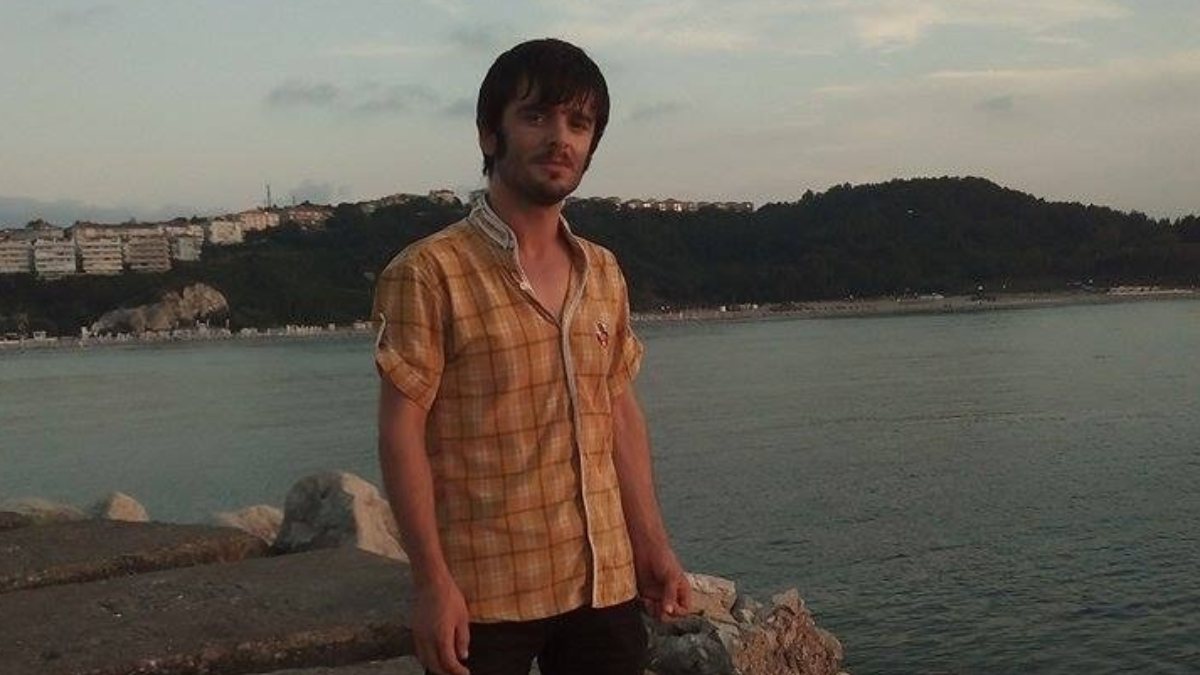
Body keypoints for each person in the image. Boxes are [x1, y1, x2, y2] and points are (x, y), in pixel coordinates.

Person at [372, 38, 689, 675]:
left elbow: (618, 412)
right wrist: (431, 583)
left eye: (579, 123)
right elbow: (400, 432)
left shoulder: (603, 271)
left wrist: (652, 545)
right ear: (490, 134)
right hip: (487, 590)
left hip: (602, 582)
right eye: (537, 116)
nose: (560, 139)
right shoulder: (428, 272)